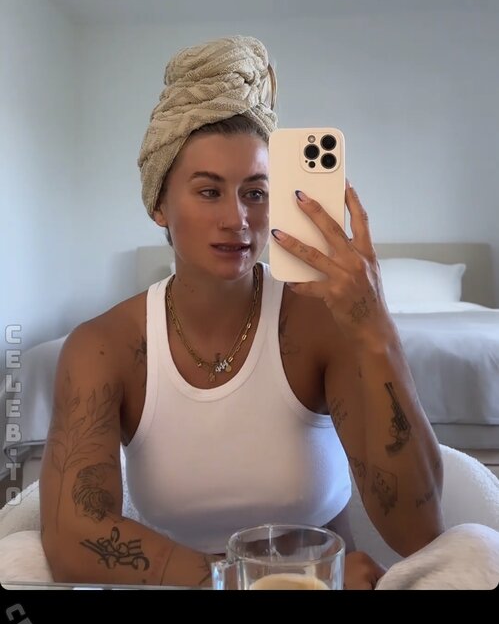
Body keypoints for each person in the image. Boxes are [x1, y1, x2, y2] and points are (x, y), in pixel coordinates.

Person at [2, 35, 499, 590]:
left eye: (256, 193)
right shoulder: (102, 346)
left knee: (479, 551)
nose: (237, 219)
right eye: (209, 192)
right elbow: (73, 537)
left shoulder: (323, 323)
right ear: (159, 204)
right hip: (192, 587)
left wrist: (376, 331)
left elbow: (419, 532)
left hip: (320, 588)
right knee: (14, 561)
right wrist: (244, 580)